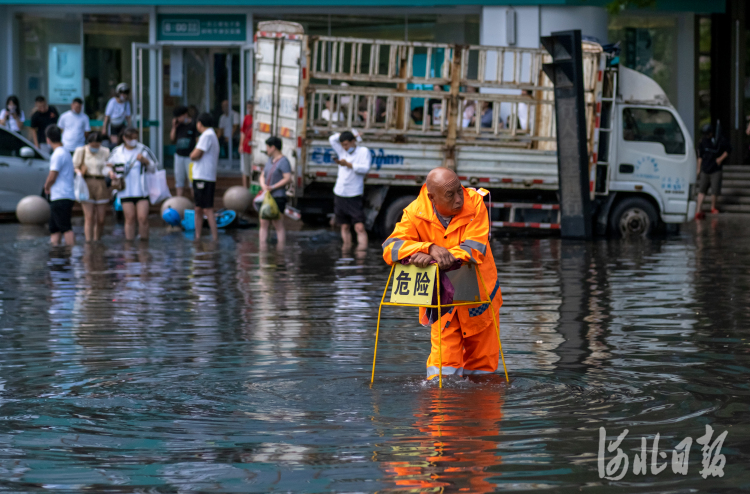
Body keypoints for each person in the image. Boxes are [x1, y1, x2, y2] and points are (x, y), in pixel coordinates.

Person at [382, 167, 502, 380]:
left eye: (459, 190)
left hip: (481, 300)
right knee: (442, 370)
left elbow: (474, 249)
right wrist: (427, 248)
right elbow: (389, 249)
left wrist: (433, 256)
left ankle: (482, 408)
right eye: (450, 194)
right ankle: (440, 409)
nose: (459, 199)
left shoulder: (475, 203)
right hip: (441, 302)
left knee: (483, 368)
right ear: (432, 197)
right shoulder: (414, 212)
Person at [108, 127, 158, 241]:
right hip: (126, 190)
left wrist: (145, 161)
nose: (134, 140)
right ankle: (129, 245)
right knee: (129, 218)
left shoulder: (143, 149)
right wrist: (111, 172)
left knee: (143, 218)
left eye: (136, 138)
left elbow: (154, 167)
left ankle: (144, 243)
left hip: (141, 189)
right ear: (124, 138)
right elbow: (107, 166)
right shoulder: (117, 151)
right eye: (131, 138)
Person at [329, 130, 371, 251]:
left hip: (354, 194)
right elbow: (332, 139)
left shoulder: (363, 151)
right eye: (342, 144)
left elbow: (365, 169)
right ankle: (345, 253)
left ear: (353, 142)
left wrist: (349, 164)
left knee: (359, 227)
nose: (344, 147)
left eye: (347, 144)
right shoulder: (342, 151)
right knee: (344, 226)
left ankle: (361, 255)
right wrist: (347, 133)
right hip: (340, 192)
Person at [73, 132, 113, 242]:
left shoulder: (105, 151)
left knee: (101, 218)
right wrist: (80, 173)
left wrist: (111, 172)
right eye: (93, 145)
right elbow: (75, 166)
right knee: (89, 217)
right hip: (87, 182)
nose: (95, 147)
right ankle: (88, 241)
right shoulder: (81, 151)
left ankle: (97, 239)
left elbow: (108, 166)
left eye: (97, 145)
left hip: (101, 183)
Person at [43, 125, 75, 246]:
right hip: (61, 195)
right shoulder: (65, 152)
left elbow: (53, 175)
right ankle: (55, 253)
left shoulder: (58, 154)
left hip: (62, 195)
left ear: (48, 139)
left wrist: (46, 186)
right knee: (54, 227)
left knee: (65, 227)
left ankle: (70, 254)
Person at [189, 113, 220, 241]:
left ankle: (214, 237)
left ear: (199, 123)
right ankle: (198, 236)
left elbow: (195, 155)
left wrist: (193, 152)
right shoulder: (210, 135)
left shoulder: (207, 135)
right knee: (199, 208)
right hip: (204, 176)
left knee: (206, 208)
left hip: (203, 176)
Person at [259, 136, 292, 249]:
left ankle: (280, 249)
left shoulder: (283, 161)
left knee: (278, 224)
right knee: (263, 223)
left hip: (278, 196)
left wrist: (273, 187)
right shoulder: (269, 160)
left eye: (268, 147)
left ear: (273, 147)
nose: (266, 149)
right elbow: (262, 175)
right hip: (268, 196)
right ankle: (262, 247)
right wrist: (264, 186)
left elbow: (287, 178)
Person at [696, 123, 731, 219]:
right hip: (706, 168)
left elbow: (728, 149)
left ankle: (713, 207)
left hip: (715, 168)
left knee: (714, 190)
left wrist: (720, 159)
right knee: (702, 190)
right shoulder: (702, 142)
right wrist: (698, 169)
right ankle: (698, 209)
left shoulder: (719, 141)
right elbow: (700, 157)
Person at [170, 106, 197, 197]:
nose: (178, 119)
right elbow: (172, 139)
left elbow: (197, 140)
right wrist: (174, 127)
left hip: (190, 157)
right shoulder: (178, 126)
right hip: (179, 156)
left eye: (179, 117)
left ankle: (195, 203)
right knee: (179, 180)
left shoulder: (193, 125)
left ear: (185, 115)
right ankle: (179, 200)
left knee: (192, 180)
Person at [239, 100, 254, 188]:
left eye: (250, 108)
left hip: (254, 148)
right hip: (247, 147)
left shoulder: (257, 117)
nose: (249, 110)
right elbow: (243, 132)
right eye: (248, 108)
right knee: (246, 170)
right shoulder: (246, 118)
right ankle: (245, 188)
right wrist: (241, 145)